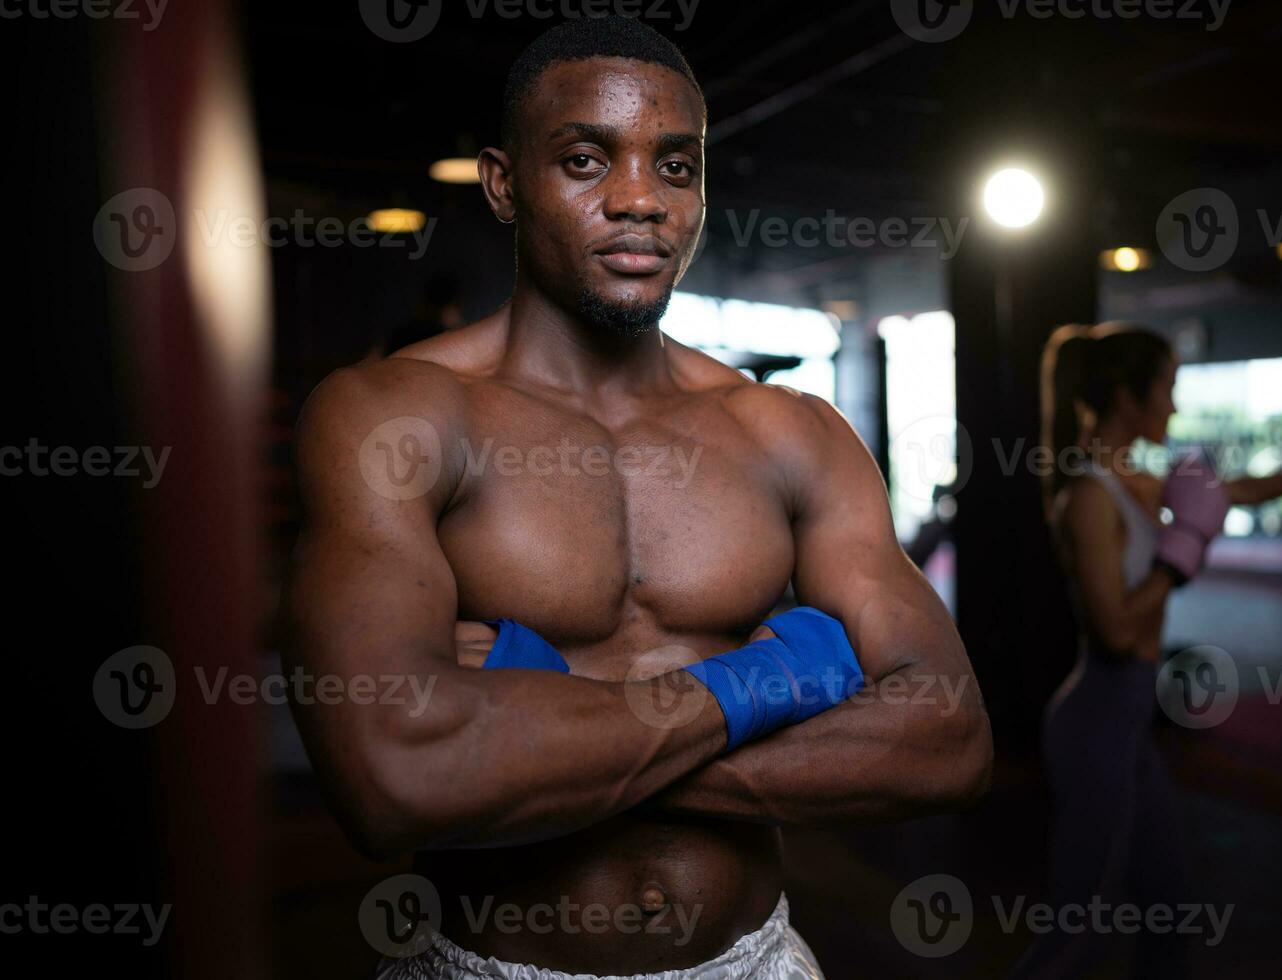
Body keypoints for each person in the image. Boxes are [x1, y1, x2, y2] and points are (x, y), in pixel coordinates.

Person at [281, 18, 992, 980]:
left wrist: (535, 718)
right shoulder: (396, 418)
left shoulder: (788, 432)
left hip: (756, 961)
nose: (637, 200)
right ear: (503, 183)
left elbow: (946, 739)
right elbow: (395, 776)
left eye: (675, 167)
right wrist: (767, 683)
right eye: (584, 160)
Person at [1012, 322, 1282, 978]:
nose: (1174, 406)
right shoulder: (1087, 497)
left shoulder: (1137, 485)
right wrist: (1181, 554)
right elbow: (1116, 632)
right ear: (1128, 396)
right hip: (1095, 720)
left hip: (1129, 722)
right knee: (1080, 931)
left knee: (1169, 909)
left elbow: (1249, 491)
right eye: (1167, 388)